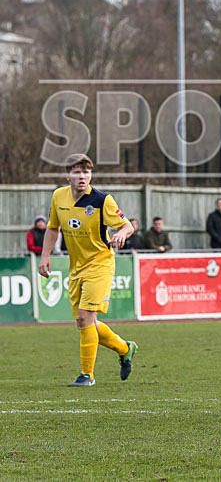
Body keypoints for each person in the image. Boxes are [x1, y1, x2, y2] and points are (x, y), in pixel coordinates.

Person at [37, 154, 138, 387]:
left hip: (100, 264)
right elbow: (53, 228)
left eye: (86, 172)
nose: (82, 176)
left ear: (91, 176)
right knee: (87, 322)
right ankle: (125, 348)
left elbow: (127, 225)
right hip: (76, 267)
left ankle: (87, 375)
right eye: (77, 172)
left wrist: (122, 233)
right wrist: (45, 256)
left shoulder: (102, 200)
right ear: (68, 176)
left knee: (85, 318)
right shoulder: (58, 196)